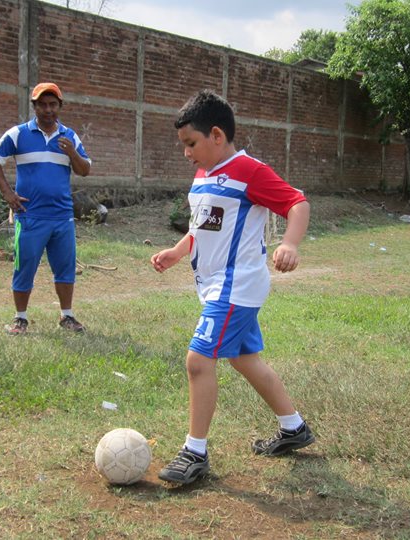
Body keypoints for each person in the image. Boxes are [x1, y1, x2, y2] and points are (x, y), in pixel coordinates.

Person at [150, 90, 314, 485]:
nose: (186, 153)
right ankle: (294, 428)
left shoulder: (250, 171)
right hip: (214, 285)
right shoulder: (203, 174)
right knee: (244, 358)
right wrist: (177, 251)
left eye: (191, 144)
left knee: (198, 360)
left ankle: (195, 453)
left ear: (217, 135)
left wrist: (289, 243)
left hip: (236, 286)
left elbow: (297, 203)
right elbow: (202, 227)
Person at [0, 82, 92, 335]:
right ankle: (20, 318)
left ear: (60, 106)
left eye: (53, 104)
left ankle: (67, 315)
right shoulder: (18, 134)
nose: (48, 109)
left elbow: (85, 170)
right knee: (25, 267)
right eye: (42, 104)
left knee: (65, 268)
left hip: (62, 216)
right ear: (34, 106)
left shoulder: (70, 136)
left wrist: (72, 153)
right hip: (30, 216)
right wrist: (8, 194)